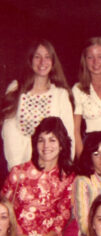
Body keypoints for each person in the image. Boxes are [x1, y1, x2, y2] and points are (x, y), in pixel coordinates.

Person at [1, 117, 75, 236]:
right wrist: (18, 234)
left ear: (61, 145)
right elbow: (4, 205)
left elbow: (64, 213)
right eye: (41, 139)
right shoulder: (19, 172)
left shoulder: (67, 177)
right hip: (15, 234)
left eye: (52, 140)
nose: (46, 145)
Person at [1, 39, 75, 170]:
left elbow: (68, 134)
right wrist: (17, 167)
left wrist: (65, 166)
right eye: (37, 57)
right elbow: (8, 131)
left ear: (53, 62)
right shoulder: (16, 89)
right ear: (30, 60)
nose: (42, 62)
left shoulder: (60, 95)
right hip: (21, 165)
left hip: (52, 167)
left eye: (47, 57)